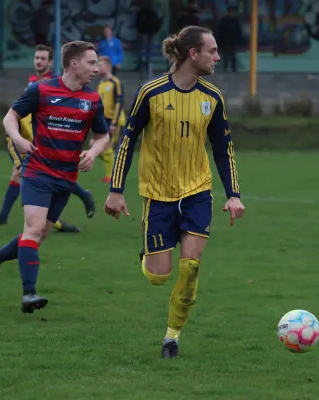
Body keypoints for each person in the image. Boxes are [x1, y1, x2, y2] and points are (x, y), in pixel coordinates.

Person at [104, 26, 245, 358]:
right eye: (212, 50)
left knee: (190, 267)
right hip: (157, 195)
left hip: (197, 192)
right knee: (158, 276)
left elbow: (224, 148)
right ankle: (147, 258)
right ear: (193, 54)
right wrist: (116, 190)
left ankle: (172, 336)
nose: (218, 56)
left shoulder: (213, 98)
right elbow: (127, 141)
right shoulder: (150, 92)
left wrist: (234, 194)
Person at [0, 41, 110, 313]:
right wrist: (17, 138)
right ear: (73, 64)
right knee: (33, 228)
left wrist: (93, 152)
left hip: (65, 177)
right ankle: (29, 294)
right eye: (91, 62)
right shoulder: (41, 89)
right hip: (38, 171)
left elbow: (103, 136)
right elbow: (10, 117)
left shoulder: (92, 100)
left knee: (39, 236)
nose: (96, 68)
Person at [0, 45, 93, 232]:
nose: (38, 62)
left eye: (43, 58)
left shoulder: (56, 83)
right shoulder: (32, 82)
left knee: (45, 176)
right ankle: (6, 216)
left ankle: (79, 200)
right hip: (28, 138)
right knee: (20, 174)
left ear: (50, 62)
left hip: (47, 141)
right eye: (36, 58)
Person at [95, 56, 126, 183]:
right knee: (100, 148)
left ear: (108, 67)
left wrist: (114, 122)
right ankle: (112, 173)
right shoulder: (101, 84)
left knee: (107, 148)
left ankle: (110, 176)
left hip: (115, 120)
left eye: (100, 65)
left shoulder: (115, 82)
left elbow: (119, 102)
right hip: (104, 120)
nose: (98, 68)